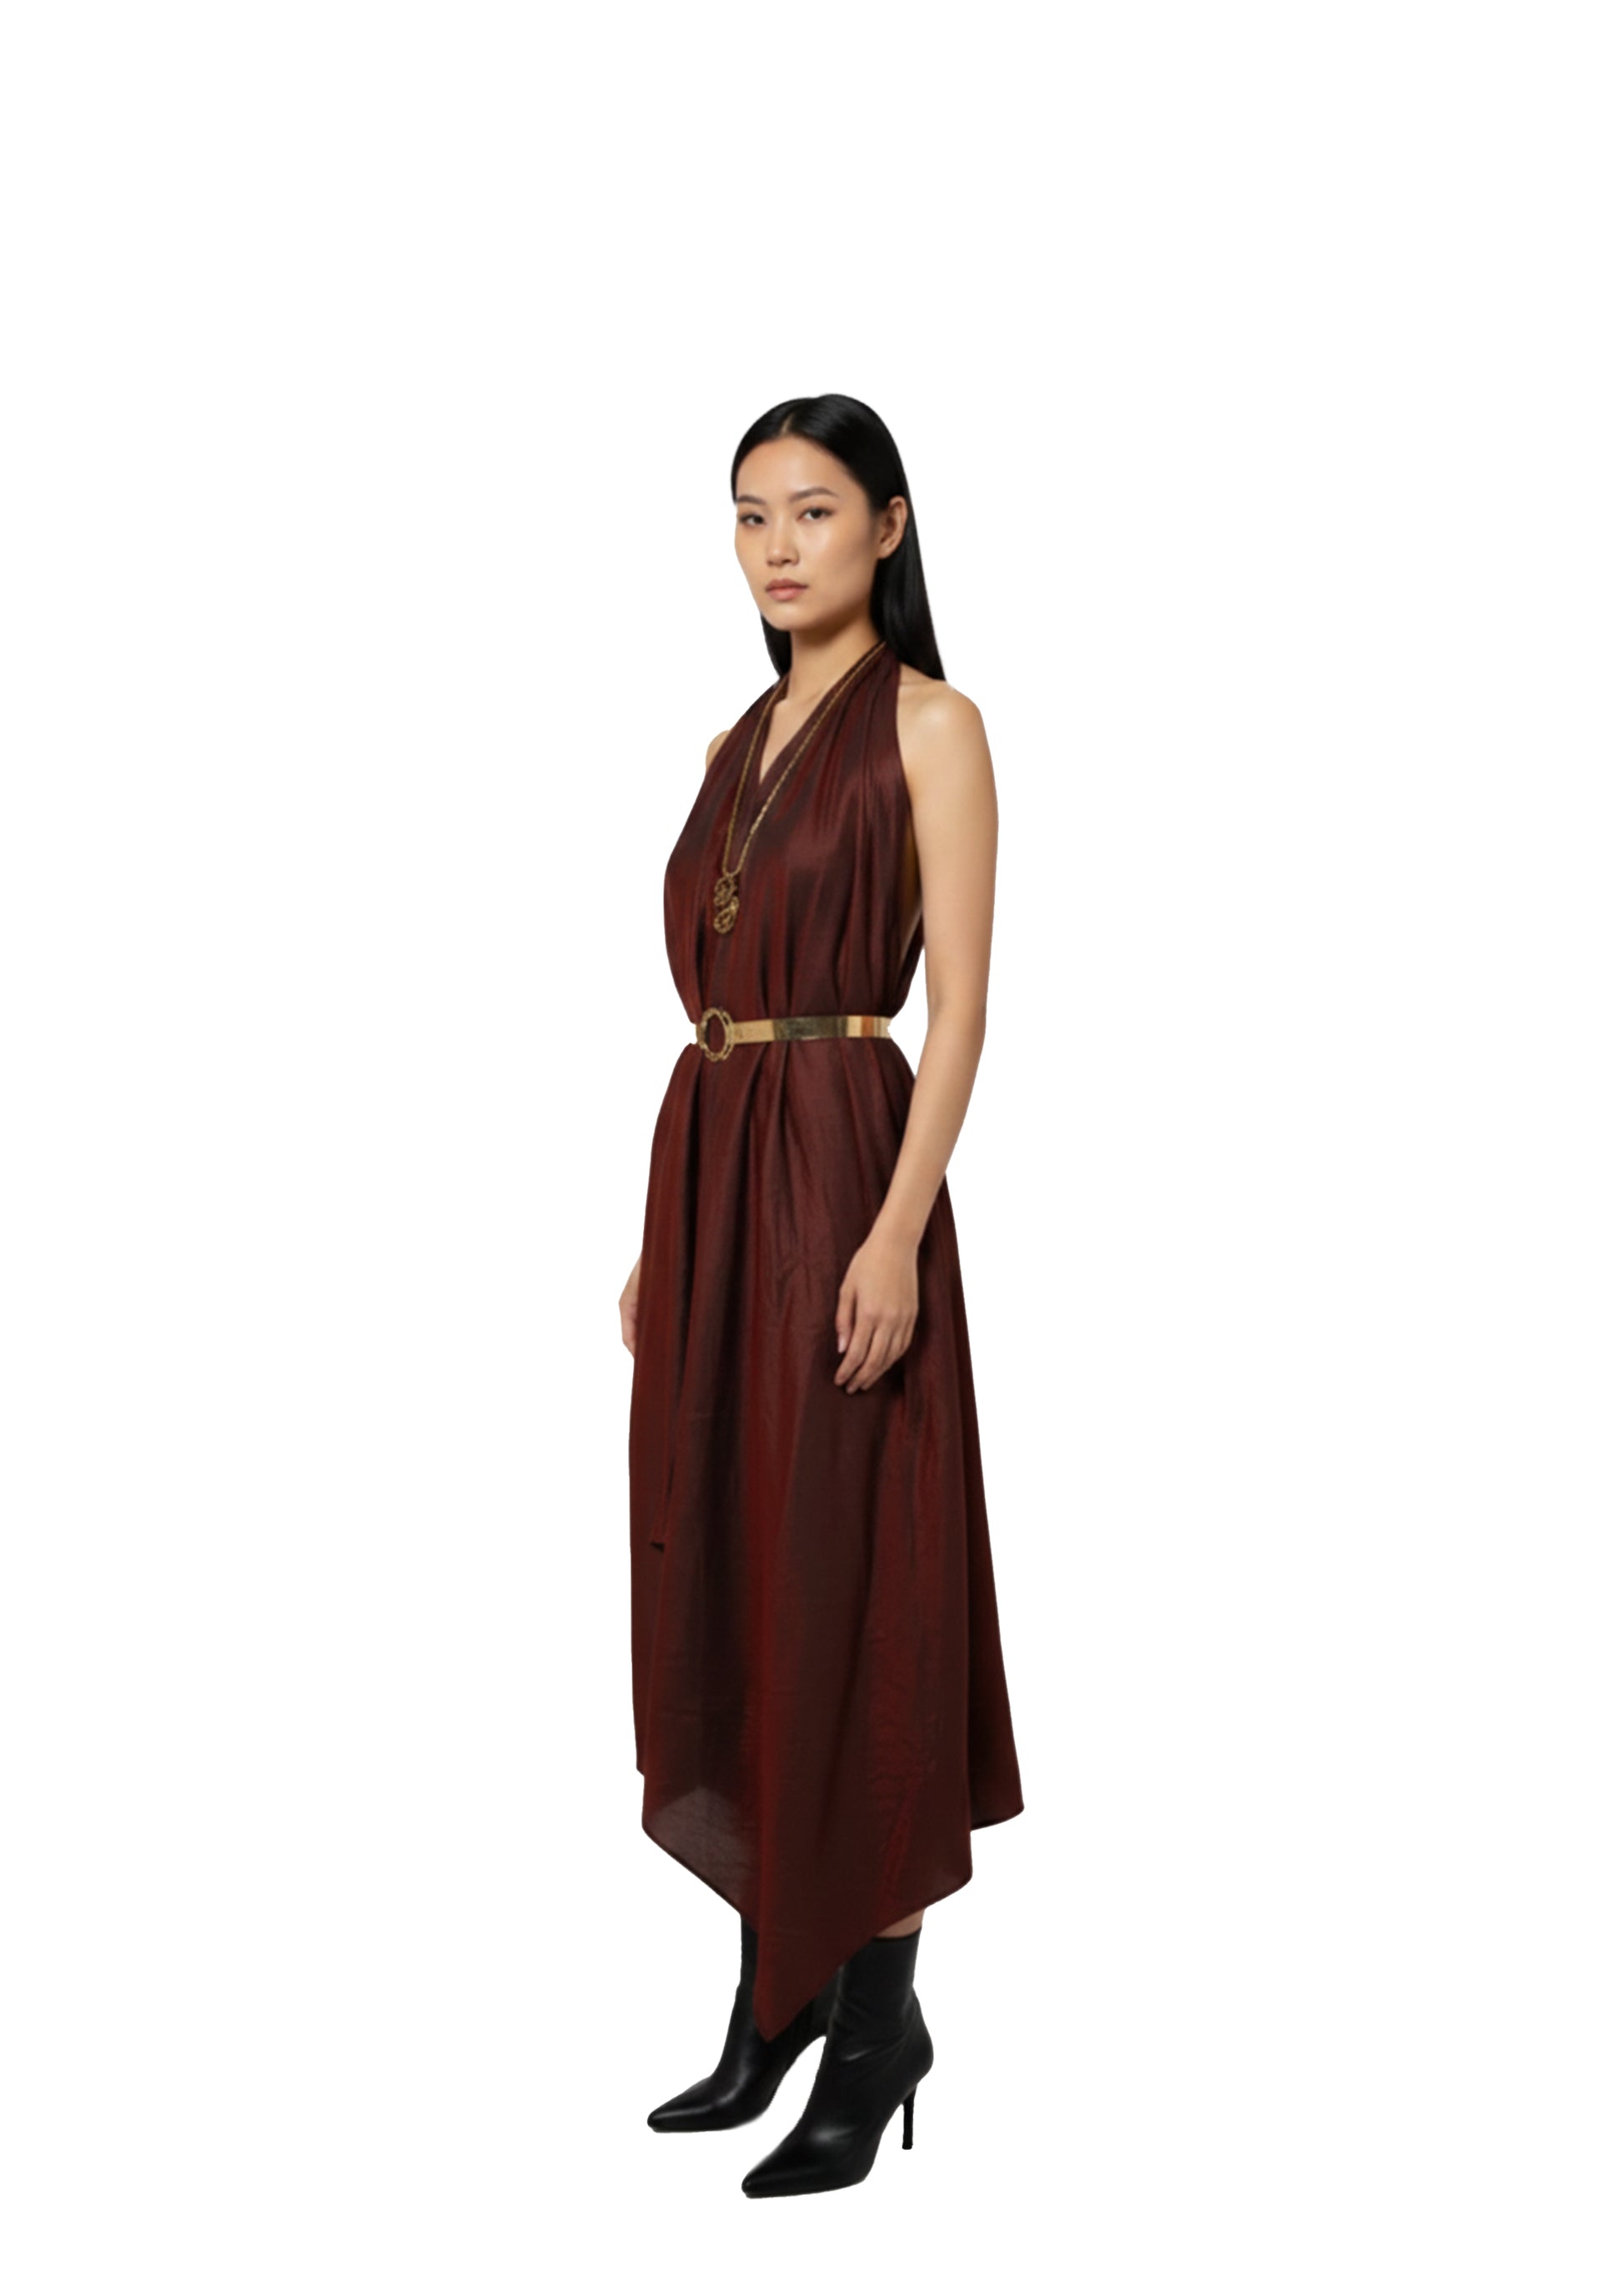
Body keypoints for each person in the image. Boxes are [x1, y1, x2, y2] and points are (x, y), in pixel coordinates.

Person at [620, 394, 1024, 2198]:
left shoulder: (932, 724)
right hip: (713, 1172)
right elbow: (718, 1001)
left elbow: (963, 1011)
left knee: (859, 1580)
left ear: (889, 525)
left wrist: (891, 1231)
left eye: (810, 510)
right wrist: (663, 1242)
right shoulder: (732, 738)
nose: (775, 547)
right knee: (730, 1567)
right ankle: (770, 1993)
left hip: (846, 1164)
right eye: (747, 515)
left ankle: (872, 2028)